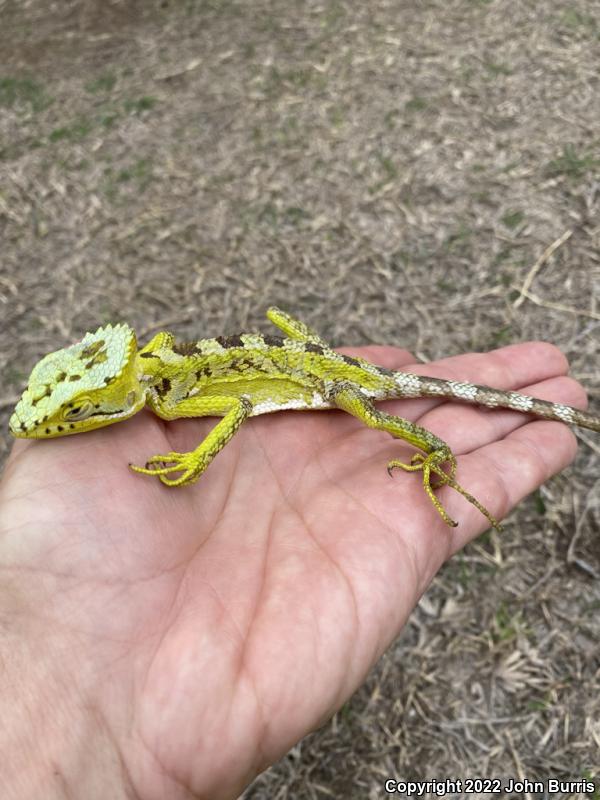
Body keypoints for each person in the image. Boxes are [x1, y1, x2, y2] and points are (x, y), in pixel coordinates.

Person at [0, 340, 585, 799]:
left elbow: (239, 402)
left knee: (376, 416)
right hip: (309, 364)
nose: (51, 424)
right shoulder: (152, 372)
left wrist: (197, 456)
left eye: (73, 412)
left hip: (329, 381)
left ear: (109, 392)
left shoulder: (168, 394)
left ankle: (440, 452)